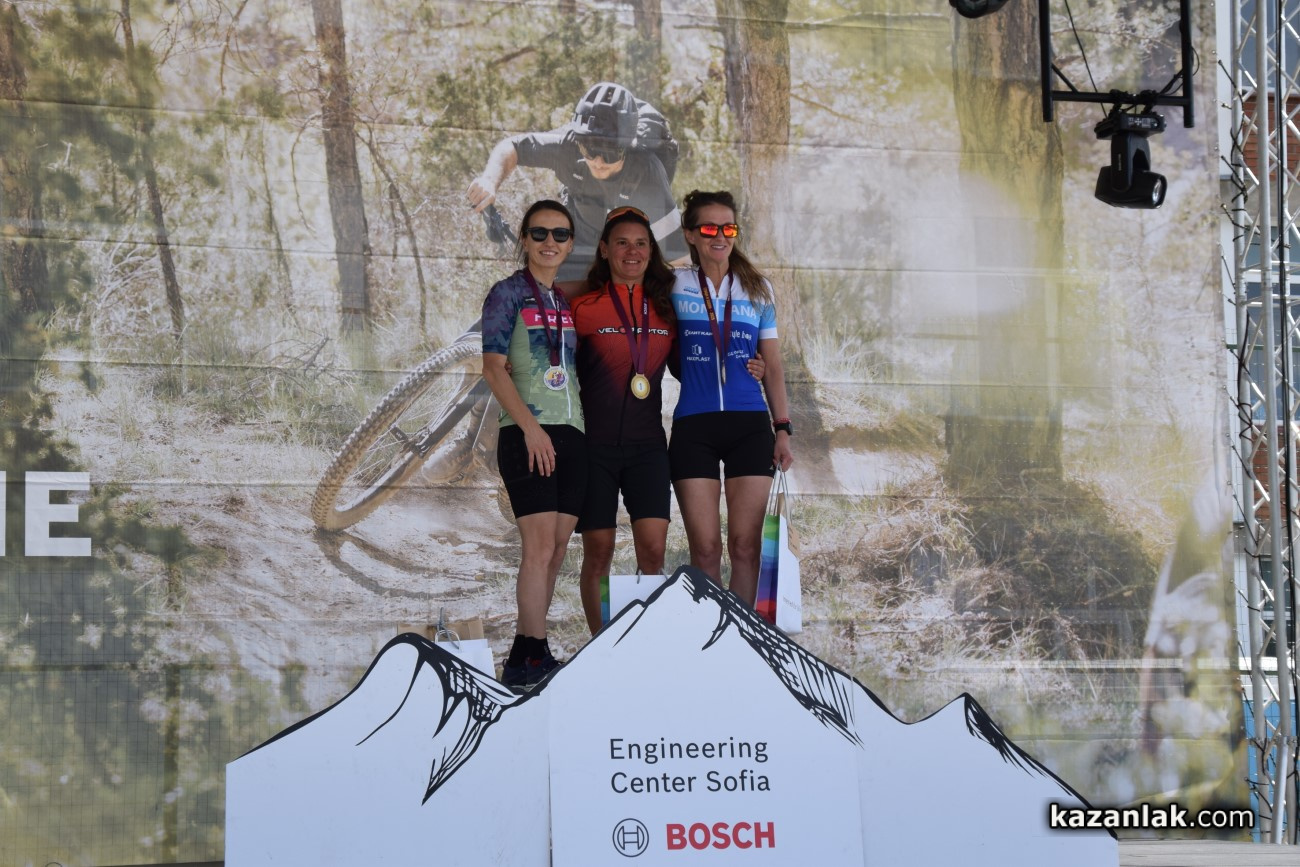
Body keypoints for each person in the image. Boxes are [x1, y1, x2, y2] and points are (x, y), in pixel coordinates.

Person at [669, 190, 794, 606]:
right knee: (705, 551)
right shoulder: (673, 284)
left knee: (745, 547)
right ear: (690, 234)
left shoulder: (758, 288)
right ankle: (708, 636)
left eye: (728, 228)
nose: (720, 236)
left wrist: (783, 429)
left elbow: (772, 366)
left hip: (749, 425)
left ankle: (742, 635)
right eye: (709, 229)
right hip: (694, 426)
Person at [480, 199, 586, 687]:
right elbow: (493, 369)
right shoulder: (506, 294)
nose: (549, 242)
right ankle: (536, 653)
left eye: (560, 234)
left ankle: (525, 653)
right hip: (527, 433)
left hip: (572, 433)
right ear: (524, 239)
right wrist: (531, 429)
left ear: (570, 243)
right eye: (539, 233)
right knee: (539, 547)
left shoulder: (562, 300)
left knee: (558, 548)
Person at [569, 206, 678, 635]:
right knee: (599, 550)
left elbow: (694, 363)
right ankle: (601, 647)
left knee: (653, 552)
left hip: (648, 447)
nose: (632, 251)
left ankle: (645, 645)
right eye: (622, 243)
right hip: (593, 447)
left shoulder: (667, 309)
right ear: (604, 249)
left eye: (640, 243)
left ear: (651, 251)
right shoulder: (582, 308)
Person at [466, 82, 687, 283]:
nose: (598, 162)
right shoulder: (568, 147)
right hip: (585, 230)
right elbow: (513, 147)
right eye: (589, 149)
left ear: (627, 148)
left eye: (610, 153)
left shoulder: (646, 174)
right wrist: (489, 181)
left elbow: (680, 260)